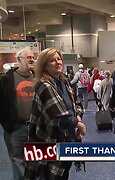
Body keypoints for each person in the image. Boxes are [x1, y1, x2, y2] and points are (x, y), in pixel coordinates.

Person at [24, 48, 86, 179]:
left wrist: (78, 118)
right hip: (49, 141)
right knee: (49, 175)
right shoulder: (44, 85)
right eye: (52, 60)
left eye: (59, 59)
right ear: (45, 65)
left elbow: (77, 105)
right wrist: (78, 124)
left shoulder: (64, 81)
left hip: (67, 140)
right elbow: (62, 118)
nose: (58, 62)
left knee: (63, 174)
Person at [0, 47, 35, 180]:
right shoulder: (6, 79)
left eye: (33, 57)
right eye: (28, 57)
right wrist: (6, 124)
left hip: (36, 128)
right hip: (15, 129)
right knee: (18, 162)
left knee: (37, 161)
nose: (32, 59)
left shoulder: (38, 76)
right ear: (19, 59)